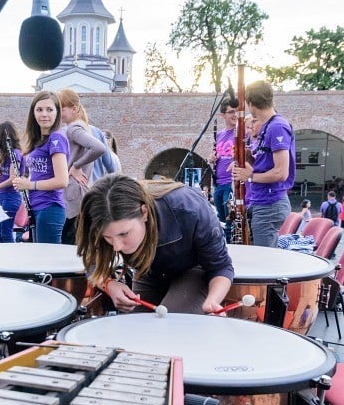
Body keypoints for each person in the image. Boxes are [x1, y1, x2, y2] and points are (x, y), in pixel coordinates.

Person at [76, 174, 233, 315]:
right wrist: (109, 285)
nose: (117, 247)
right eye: (107, 237)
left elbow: (221, 267)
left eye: (124, 234)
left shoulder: (189, 208)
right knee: (135, 327)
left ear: (144, 212)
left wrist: (213, 302)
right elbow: (91, 260)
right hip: (148, 270)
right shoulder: (97, 217)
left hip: (194, 270)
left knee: (169, 325)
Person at [232, 82, 295, 248]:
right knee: (258, 255)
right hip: (263, 201)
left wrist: (249, 176)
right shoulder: (268, 126)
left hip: (270, 204)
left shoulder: (277, 127)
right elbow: (266, 164)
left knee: (265, 261)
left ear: (250, 103)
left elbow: (281, 173)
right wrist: (247, 158)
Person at [12, 91, 68, 244]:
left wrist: (29, 185)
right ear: (33, 113)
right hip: (37, 207)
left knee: (48, 262)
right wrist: (24, 181)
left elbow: (62, 180)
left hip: (50, 207)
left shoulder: (56, 138)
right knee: (40, 260)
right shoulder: (39, 140)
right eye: (39, 110)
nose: (44, 114)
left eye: (50, 109)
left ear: (57, 112)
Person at [56, 88, 107, 245]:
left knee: (69, 242)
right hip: (80, 192)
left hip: (73, 193)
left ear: (74, 108)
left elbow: (99, 148)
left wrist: (76, 166)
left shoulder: (73, 129)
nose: (59, 113)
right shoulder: (83, 127)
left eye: (62, 109)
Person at [208, 98, 240, 242]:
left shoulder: (241, 132)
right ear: (223, 115)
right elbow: (218, 155)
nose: (235, 114)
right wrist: (211, 158)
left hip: (231, 183)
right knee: (221, 224)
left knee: (230, 224)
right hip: (218, 184)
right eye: (231, 112)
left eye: (237, 111)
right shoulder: (220, 134)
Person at [0, 122, 24, 243]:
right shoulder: (4, 154)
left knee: (5, 233)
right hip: (2, 196)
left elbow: (12, 179)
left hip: (11, 197)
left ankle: (12, 259)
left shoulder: (15, 154)